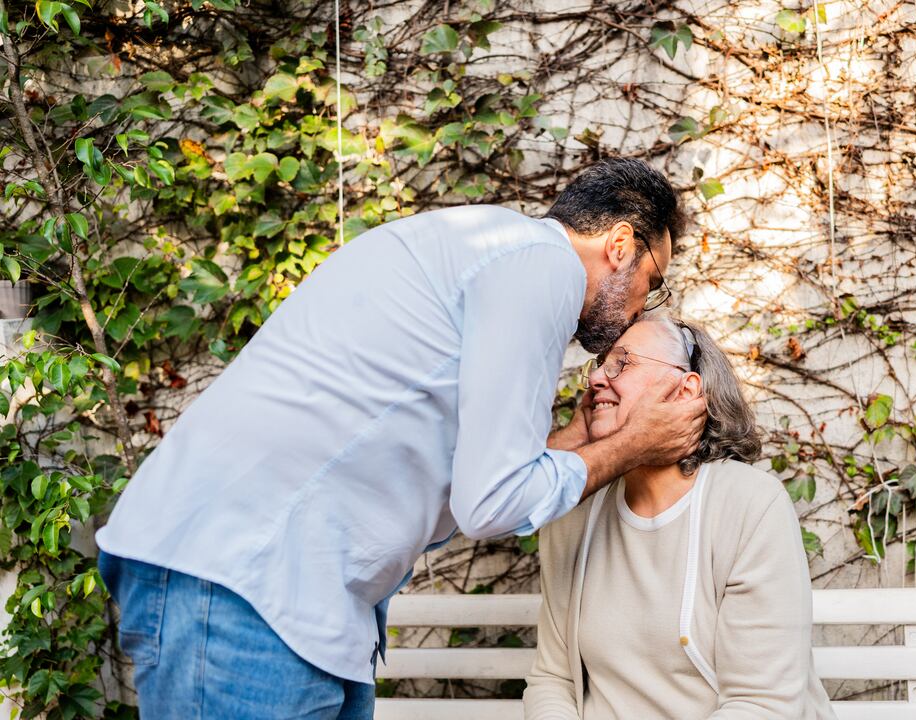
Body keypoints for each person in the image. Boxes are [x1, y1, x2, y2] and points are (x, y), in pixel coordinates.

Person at [94, 158, 706, 718]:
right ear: (621, 244)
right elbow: (492, 501)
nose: (640, 308)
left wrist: (576, 440)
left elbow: (480, 471)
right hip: (244, 579)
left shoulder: (491, 249)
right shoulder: (539, 265)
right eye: (652, 283)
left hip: (294, 598)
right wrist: (632, 446)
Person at [524, 314, 836, 719]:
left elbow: (761, 705)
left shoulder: (750, 506)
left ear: (685, 389)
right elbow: (553, 680)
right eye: (598, 364)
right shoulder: (573, 511)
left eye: (622, 362)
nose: (597, 378)